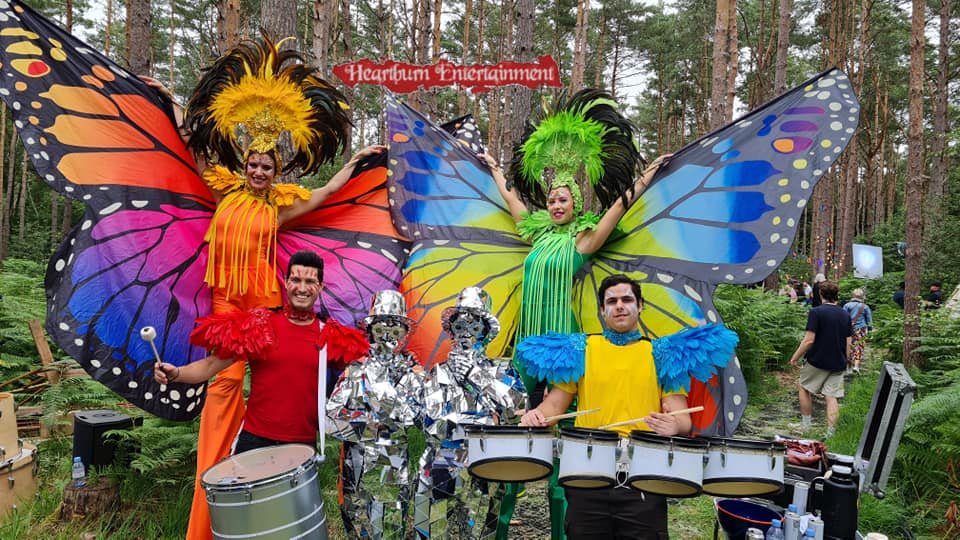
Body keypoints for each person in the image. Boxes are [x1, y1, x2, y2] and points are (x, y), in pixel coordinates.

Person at [145, 33, 383, 540]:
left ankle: (284, 480)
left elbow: (321, 195)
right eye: (252, 164)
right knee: (221, 390)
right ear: (245, 166)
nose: (257, 171)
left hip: (260, 311)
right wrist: (166, 98)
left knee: (276, 386)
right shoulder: (224, 189)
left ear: (276, 172)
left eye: (266, 166)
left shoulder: (278, 205)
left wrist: (354, 165)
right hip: (220, 310)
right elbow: (192, 151)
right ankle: (208, 521)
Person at [478, 88, 668, 540]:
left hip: (564, 350)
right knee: (521, 432)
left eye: (564, 198)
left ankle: (568, 528)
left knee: (565, 438)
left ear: (576, 204)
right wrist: (492, 169)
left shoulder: (581, 241)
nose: (557, 204)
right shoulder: (537, 236)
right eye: (552, 199)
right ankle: (502, 524)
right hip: (527, 346)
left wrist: (644, 180)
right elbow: (513, 202)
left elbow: (616, 209)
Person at [516, 275, 737, 539]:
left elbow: (682, 418)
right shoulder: (581, 349)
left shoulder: (662, 354)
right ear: (602, 309)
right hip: (587, 473)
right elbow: (554, 405)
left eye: (627, 299)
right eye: (612, 301)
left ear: (640, 305)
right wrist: (536, 416)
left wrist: (673, 424)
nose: (619, 306)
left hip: (643, 475)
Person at [153, 250, 366, 453]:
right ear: (287, 282)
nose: (302, 288)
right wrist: (177, 374)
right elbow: (209, 366)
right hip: (253, 442)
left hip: (301, 447)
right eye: (296, 280)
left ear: (320, 286)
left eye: (310, 282)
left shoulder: (332, 336)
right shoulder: (259, 326)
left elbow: (366, 375)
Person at [414, 287, 526, 539]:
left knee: (478, 530)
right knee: (434, 527)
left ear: (485, 333)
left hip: (486, 461)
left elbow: (515, 410)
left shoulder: (502, 369)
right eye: (460, 326)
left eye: (474, 327)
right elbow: (429, 420)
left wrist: (474, 376)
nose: (466, 334)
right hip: (443, 458)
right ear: (451, 330)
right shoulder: (439, 372)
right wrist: (484, 420)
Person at [327, 290, 426, 539]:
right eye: (382, 328)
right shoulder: (356, 369)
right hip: (358, 462)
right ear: (371, 331)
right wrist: (370, 425)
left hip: (394, 462)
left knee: (392, 526)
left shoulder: (412, 372)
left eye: (395, 330)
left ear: (404, 333)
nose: (388, 336)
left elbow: (422, 416)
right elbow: (331, 417)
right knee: (358, 526)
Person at [789, 281, 851, 438]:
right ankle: (831, 433)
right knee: (832, 397)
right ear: (836, 295)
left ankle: (807, 427)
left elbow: (809, 340)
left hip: (817, 360)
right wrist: (846, 359)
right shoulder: (845, 314)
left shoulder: (816, 312)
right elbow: (848, 341)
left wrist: (795, 357)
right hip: (838, 362)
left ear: (821, 294)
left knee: (804, 388)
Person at [842, 288, 873, 374]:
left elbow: (843, 318)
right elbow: (869, 320)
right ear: (862, 296)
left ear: (853, 295)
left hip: (848, 329)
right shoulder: (865, 307)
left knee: (849, 347)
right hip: (861, 330)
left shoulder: (847, 305)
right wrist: (870, 331)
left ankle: (848, 367)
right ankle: (856, 366)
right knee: (859, 347)